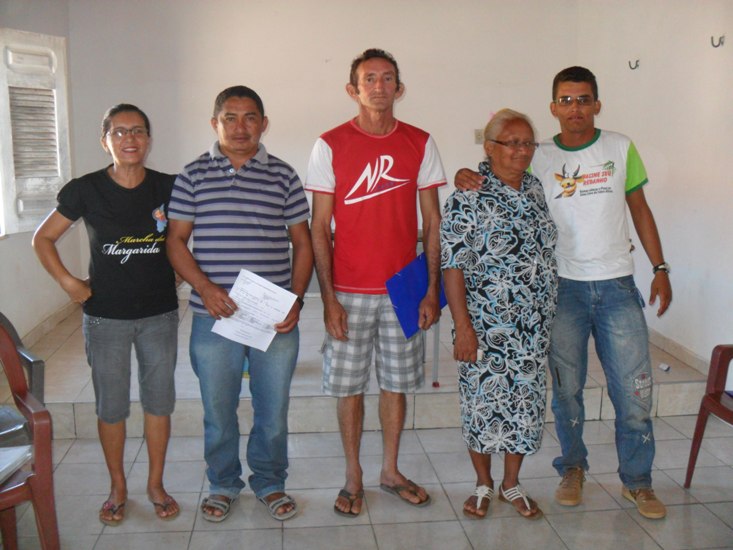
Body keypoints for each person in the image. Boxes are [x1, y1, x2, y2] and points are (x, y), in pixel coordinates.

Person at [455, 66, 672, 520]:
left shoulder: (620, 147)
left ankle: (638, 482)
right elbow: (496, 173)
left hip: (616, 285)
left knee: (634, 392)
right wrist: (464, 174)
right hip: (561, 290)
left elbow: (640, 209)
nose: (576, 108)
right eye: (567, 100)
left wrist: (659, 267)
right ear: (554, 107)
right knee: (566, 392)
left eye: (584, 99)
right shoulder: (539, 156)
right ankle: (572, 468)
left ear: (597, 104)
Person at [305, 48, 446, 517]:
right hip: (347, 291)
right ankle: (353, 476)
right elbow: (319, 227)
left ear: (399, 88)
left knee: (396, 385)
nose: (379, 86)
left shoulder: (420, 143)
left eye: (387, 78)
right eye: (369, 79)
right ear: (353, 89)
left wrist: (431, 289)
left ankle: (390, 470)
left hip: (402, 290)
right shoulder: (329, 145)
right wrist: (327, 299)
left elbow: (433, 221)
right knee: (348, 388)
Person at [166, 86, 312, 523]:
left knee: (273, 410)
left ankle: (269, 481)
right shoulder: (192, 175)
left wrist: (296, 300)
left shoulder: (284, 176)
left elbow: (303, 243)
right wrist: (205, 288)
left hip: (273, 317)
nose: (240, 127)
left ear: (264, 124)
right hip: (213, 317)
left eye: (250, 117)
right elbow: (175, 241)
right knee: (218, 410)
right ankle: (223, 483)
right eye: (230, 117)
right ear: (215, 123)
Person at [33, 104, 180, 526]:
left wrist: (185, 275)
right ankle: (118, 487)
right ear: (105, 141)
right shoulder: (86, 190)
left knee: (159, 403)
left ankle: (155, 485)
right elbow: (43, 239)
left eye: (138, 131)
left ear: (148, 139)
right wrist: (69, 283)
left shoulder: (169, 187)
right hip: (105, 319)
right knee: (111, 407)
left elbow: (188, 236)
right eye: (119, 132)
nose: (129, 139)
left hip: (159, 316)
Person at [442, 109, 557, 520]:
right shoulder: (466, 197)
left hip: (533, 326)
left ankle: (511, 483)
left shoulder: (535, 189)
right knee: (482, 403)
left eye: (528, 143)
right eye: (512, 143)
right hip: (486, 324)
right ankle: (483, 483)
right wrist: (463, 328)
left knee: (525, 403)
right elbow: (452, 265)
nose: (522, 151)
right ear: (490, 147)